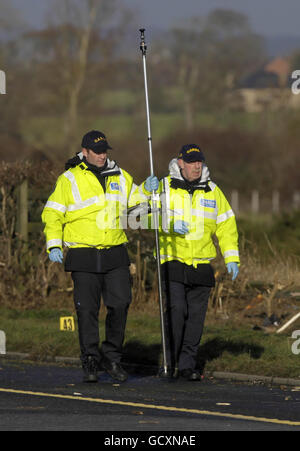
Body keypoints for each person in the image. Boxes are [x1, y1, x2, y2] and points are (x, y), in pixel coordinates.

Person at [41, 130, 158, 383]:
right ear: (85, 152)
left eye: (105, 150)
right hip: (83, 253)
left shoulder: (120, 175)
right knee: (87, 310)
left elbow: (134, 204)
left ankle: (112, 357)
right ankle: (91, 360)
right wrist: (54, 244)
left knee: (121, 303)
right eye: (97, 151)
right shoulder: (69, 179)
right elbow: (52, 214)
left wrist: (146, 192)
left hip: (115, 251)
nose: (102, 155)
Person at [155, 144, 240, 381]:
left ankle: (187, 365)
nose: (197, 166)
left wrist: (231, 257)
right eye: (192, 162)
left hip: (202, 264)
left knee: (195, 319)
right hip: (173, 260)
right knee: (176, 311)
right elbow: (142, 214)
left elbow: (226, 226)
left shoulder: (212, 191)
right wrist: (167, 224)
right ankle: (170, 361)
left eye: (199, 161)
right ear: (180, 163)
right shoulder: (163, 188)